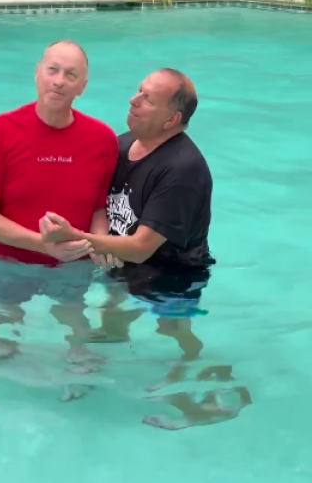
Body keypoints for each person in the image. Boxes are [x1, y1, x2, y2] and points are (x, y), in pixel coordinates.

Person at [0, 39, 119, 362]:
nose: (59, 80)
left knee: (77, 327)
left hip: (71, 259)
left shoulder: (103, 140)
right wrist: (43, 244)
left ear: (82, 87)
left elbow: (99, 208)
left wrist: (101, 240)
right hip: (2, 260)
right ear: (38, 74)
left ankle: (78, 365)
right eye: (53, 70)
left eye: (71, 75)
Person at [40, 68, 216, 358]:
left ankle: (192, 362)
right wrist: (98, 238)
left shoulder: (182, 170)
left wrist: (74, 237)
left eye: (148, 99)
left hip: (173, 273)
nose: (133, 100)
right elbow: (97, 202)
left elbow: (142, 247)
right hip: (121, 257)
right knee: (106, 308)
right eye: (138, 91)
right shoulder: (120, 145)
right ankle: (115, 334)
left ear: (171, 119)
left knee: (173, 330)